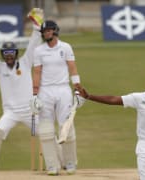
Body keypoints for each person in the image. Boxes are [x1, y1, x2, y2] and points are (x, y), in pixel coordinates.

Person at [0, 8, 44, 172]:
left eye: (11, 53)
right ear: (3, 55)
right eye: (5, 53)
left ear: (15, 53)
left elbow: (34, 44)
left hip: (30, 112)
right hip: (10, 113)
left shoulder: (26, 62)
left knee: (47, 134)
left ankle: (59, 162)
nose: (9, 56)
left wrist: (37, 28)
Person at [32, 20, 83, 175]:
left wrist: (77, 89)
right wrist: (34, 95)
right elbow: (37, 72)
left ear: (55, 31)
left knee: (66, 126)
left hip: (63, 90)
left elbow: (72, 67)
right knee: (46, 129)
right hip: (45, 91)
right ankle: (52, 165)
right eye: (44, 31)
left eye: (49, 31)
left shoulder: (65, 47)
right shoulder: (39, 50)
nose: (46, 33)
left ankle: (70, 162)